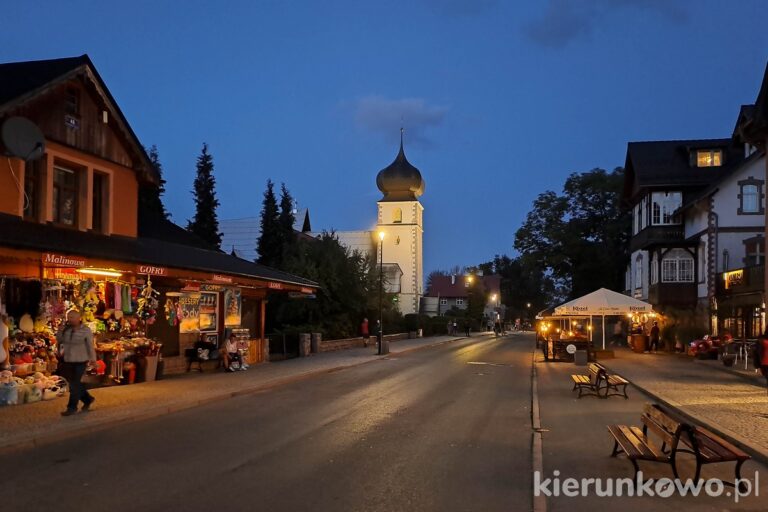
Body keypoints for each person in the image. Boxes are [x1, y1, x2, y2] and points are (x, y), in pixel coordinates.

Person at [57, 310, 97, 416]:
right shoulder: (66, 330)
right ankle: (88, 399)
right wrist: (60, 331)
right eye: (69, 317)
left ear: (79, 318)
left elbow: (90, 346)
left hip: (81, 360)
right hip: (68, 360)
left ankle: (71, 408)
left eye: (72, 317)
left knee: (74, 385)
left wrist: (93, 360)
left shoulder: (85, 330)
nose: (70, 319)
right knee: (75, 384)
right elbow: (60, 340)